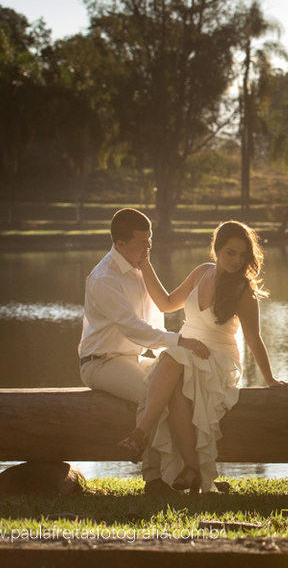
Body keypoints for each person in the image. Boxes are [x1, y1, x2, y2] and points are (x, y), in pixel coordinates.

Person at [115, 220, 288, 494]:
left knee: (172, 357)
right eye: (230, 253)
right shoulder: (201, 273)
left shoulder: (243, 290)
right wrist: (145, 264)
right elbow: (165, 303)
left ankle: (141, 433)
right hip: (187, 352)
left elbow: (253, 338)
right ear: (217, 249)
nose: (236, 261)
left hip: (218, 358)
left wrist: (270, 379)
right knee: (174, 384)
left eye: (242, 255)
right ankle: (191, 469)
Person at [80, 208, 210, 493]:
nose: (149, 247)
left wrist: (167, 353)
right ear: (120, 244)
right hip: (100, 362)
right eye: (143, 242)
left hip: (133, 358)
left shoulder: (139, 268)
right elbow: (133, 328)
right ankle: (153, 479)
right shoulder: (105, 278)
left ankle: (188, 471)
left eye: (150, 241)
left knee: (175, 387)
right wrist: (179, 341)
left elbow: (156, 315)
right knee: (150, 393)